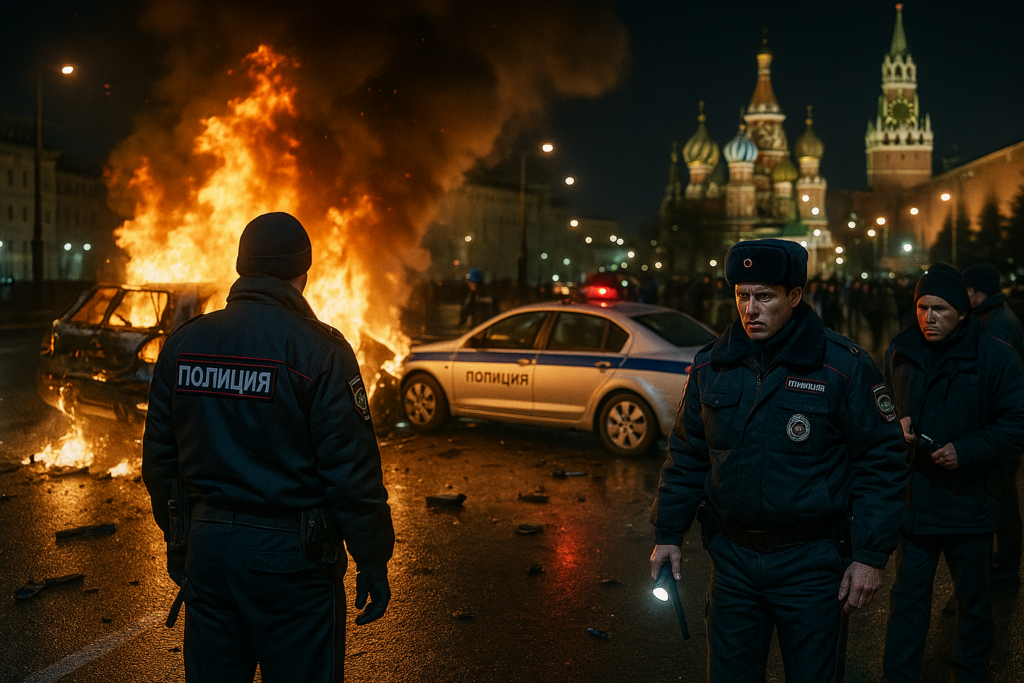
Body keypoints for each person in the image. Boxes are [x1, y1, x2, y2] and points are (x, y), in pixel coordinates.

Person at [142, 212, 395, 683]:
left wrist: (180, 541)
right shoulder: (320, 350)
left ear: (242, 267)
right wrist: (373, 559)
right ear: (303, 273)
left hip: (209, 554)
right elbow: (351, 472)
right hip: (293, 565)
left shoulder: (185, 344)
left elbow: (159, 461)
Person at [650, 238, 908, 683]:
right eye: (742, 295)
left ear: (794, 295)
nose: (751, 309)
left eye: (764, 296)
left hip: (810, 564)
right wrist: (668, 532)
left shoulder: (842, 367)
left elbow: (881, 461)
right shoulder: (713, 365)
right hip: (732, 564)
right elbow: (689, 453)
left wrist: (869, 555)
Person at [882, 263, 1024, 683]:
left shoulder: (995, 355)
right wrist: (896, 426)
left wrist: (966, 450)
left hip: (971, 503)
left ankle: (969, 673)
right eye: (922, 307)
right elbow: (882, 405)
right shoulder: (901, 350)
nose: (929, 317)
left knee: (973, 603)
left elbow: (1015, 422)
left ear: (963, 312)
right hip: (916, 503)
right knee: (907, 603)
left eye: (940, 309)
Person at [963, 262, 1024, 583]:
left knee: (1001, 498)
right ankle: (1006, 562)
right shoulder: (997, 315)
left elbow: (1000, 379)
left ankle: (1005, 567)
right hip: (1001, 423)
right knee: (1004, 496)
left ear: (977, 292)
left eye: (966, 290)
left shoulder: (996, 324)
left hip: (1000, 425)